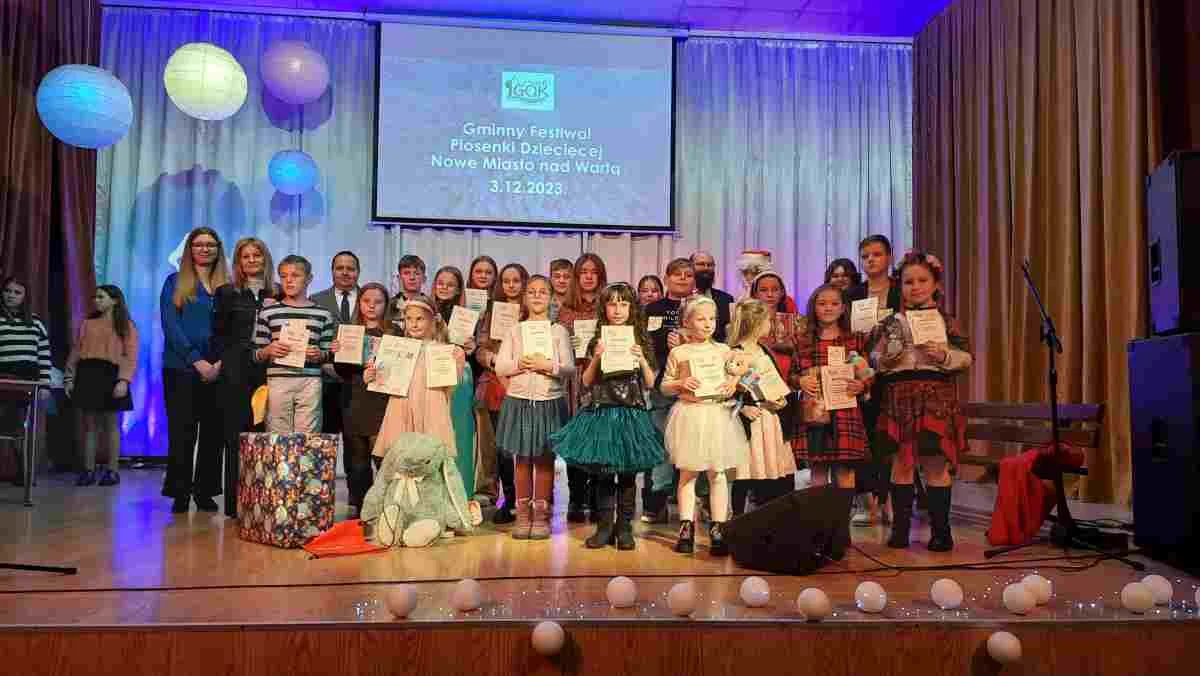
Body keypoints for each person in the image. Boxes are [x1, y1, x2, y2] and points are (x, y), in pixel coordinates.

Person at [552, 283, 665, 550]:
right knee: (603, 475)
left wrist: (642, 359)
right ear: (604, 308)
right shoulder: (597, 339)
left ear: (632, 308)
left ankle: (624, 528)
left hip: (631, 414)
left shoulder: (640, 339)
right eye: (612, 304)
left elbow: (650, 383)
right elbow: (587, 380)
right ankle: (604, 528)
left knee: (627, 476)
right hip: (602, 411)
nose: (617, 310)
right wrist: (596, 357)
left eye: (623, 304)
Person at [872, 251, 971, 552]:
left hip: (935, 398)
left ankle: (941, 532)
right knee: (901, 462)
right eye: (908, 282)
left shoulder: (947, 321)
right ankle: (900, 531)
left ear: (935, 284)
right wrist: (886, 359)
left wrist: (945, 356)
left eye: (922, 281)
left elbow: (966, 357)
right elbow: (874, 358)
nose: (915, 287)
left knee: (934, 463)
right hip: (899, 397)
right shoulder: (892, 322)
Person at [660, 295, 748, 556]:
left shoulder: (723, 350)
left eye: (712, 318)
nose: (708, 324)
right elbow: (664, 386)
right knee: (688, 473)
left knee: (717, 473)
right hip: (691, 414)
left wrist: (733, 383)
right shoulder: (679, 352)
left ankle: (718, 528)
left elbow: (743, 375)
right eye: (701, 319)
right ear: (687, 322)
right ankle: (686, 527)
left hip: (717, 414)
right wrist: (680, 384)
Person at [791, 284, 872, 559]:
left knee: (845, 472)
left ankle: (840, 530)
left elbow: (867, 374)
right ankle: (819, 530)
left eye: (834, 303)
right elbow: (792, 376)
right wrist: (800, 381)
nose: (828, 308)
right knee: (817, 471)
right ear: (814, 307)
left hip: (845, 412)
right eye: (822, 303)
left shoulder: (854, 340)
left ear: (843, 308)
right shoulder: (803, 341)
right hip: (815, 413)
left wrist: (862, 385)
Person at [494, 276, 574, 539]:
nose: (537, 296)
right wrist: (521, 363)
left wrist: (547, 365)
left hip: (549, 400)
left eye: (542, 292)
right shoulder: (515, 330)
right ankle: (523, 515)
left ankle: (541, 516)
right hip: (519, 400)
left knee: (544, 458)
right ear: (525, 297)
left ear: (551, 297)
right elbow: (500, 367)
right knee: (522, 459)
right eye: (532, 292)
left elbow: (569, 369)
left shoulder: (558, 331)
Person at [160, 227, 228, 513]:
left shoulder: (228, 286)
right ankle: (180, 492)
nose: (205, 249)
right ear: (190, 249)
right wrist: (197, 361)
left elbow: (235, 329)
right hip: (181, 369)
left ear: (218, 249)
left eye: (211, 244)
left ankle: (205, 491)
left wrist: (220, 363)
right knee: (182, 433)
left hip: (220, 370)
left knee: (213, 435)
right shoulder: (174, 282)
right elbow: (171, 326)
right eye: (199, 244)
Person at [211, 237, 278, 517]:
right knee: (235, 438)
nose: (251, 260)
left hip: (269, 373)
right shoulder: (227, 293)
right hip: (236, 373)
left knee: (263, 436)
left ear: (265, 259)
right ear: (238, 262)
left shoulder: (278, 293)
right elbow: (218, 336)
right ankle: (235, 505)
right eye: (245, 256)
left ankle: (262, 502)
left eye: (256, 255)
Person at [367, 294, 465, 462]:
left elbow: (450, 388)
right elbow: (382, 379)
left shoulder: (445, 351)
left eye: (420, 319)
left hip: (431, 410)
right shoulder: (396, 349)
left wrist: (454, 361)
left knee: (430, 460)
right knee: (402, 461)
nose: (413, 324)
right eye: (409, 319)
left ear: (433, 320)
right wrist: (370, 375)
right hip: (402, 409)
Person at [847, 235, 902, 526]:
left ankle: (888, 498)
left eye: (877, 254)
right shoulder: (853, 294)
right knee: (864, 436)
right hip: (861, 371)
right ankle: (866, 500)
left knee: (889, 439)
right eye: (865, 255)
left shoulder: (901, 290)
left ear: (889, 257)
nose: (871, 260)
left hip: (893, 372)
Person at [252, 255, 336, 434]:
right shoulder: (268, 312)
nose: (288, 280)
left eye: (295, 275)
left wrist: (319, 354)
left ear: (309, 278)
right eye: (283, 276)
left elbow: (329, 353)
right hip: (278, 380)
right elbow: (256, 354)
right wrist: (268, 350)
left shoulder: (323, 314)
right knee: (277, 436)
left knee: (308, 437)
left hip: (310, 381)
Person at [728, 299, 796, 518]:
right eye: (768, 321)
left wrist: (780, 401)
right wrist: (742, 408)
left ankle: (768, 518)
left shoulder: (764, 350)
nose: (770, 325)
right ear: (756, 323)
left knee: (769, 471)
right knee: (745, 472)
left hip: (770, 418)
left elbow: (772, 382)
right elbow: (728, 391)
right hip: (751, 422)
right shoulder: (735, 353)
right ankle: (736, 519)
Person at [65, 285, 138, 487]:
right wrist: (69, 377)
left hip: (111, 374)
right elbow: (77, 350)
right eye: (95, 297)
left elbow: (131, 355)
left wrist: (124, 380)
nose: (96, 300)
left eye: (101, 297)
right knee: (90, 426)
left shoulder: (125, 325)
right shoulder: (87, 323)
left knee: (111, 425)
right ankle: (88, 470)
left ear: (115, 300)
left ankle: (112, 470)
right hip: (88, 373)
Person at [554, 253, 607, 523]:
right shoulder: (565, 309)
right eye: (583, 272)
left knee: (598, 438)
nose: (588, 276)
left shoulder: (607, 306)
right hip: (573, 379)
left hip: (600, 377)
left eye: (593, 272)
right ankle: (576, 497)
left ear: (600, 276)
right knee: (576, 438)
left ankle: (598, 500)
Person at [641, 257, 695, 523]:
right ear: (667, 278)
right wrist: (666, 343)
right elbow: (644, 344)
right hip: (662, 385)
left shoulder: (700, 307)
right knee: (660, 443)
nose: (683, 278)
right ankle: (655, 503)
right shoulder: (653, 309)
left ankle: (695, 502)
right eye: (677, 274)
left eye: (688, 274)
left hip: (694, 387)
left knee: (693, 444)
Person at [474, 263, 528, 523]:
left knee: (526, 447)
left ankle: (531, 499)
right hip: (496, 385)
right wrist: (495, 360)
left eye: (516, 280)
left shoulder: (532, 314)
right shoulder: (491, 313)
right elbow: (480, 349)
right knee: (502, 448)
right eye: (506, 281)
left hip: (525, 384)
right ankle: (509, 499)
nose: (511, 285)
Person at [333, 283, 392, 518]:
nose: (372, 306)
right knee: (357, 461)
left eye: (378, 302)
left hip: (383, 402)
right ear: (359, 303)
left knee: (384, 459)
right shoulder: (349, 332)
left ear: (386, 305)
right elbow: (341, 371)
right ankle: (361, 509)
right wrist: (337, 353)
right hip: (355, 400)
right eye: (367, 301)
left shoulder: (395, 333)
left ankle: (387, 507)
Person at [431, 265, 478, 500]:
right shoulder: (425, 311)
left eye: (450, 285)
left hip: (459, 377)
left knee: (459, 436)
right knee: (433, 435)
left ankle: (461, 494)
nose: (444, 288)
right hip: (431, 376)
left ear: (459, 289)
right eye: (440, 283)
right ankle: (433, 494)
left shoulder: (467, 316)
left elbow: (473, 353)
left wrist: (472, 347)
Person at [310, 251, 361, 455]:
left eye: (350, 268)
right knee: (323, 445)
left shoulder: (370, 298)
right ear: (332, 271)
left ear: (358, 272)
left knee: (356, 449)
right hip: (326, 381)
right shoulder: (315, 300)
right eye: (340, 268)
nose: (345, 273)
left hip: (359, 383)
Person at [465, 255, 500, 506]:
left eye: (488, 272)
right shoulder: (462, 303)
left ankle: (492, 488)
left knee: (493, 438)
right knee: (472, 437)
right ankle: (474, 485)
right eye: (479, 271)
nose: (483, 276)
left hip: (491, 373)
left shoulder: (501, 307)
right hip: (466, 370)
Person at [689, 250, 734, 342]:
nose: (706, 268)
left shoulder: (726, 299)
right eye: (701, 264)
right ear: (690, 267)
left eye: (710, 265)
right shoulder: (682, 296)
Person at [390, 254, 428, 333]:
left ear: (424, 279)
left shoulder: (430, 306)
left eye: (417, 273)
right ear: (399, 278)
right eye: (406, 273)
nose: (412, 277)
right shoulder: (389, 305)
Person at [548, 258, 574, 323]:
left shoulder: (578, 303)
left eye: (566, 277)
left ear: (573, 279)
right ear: (550, 279)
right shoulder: (544, 302)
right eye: (557, 276)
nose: (561, 281)